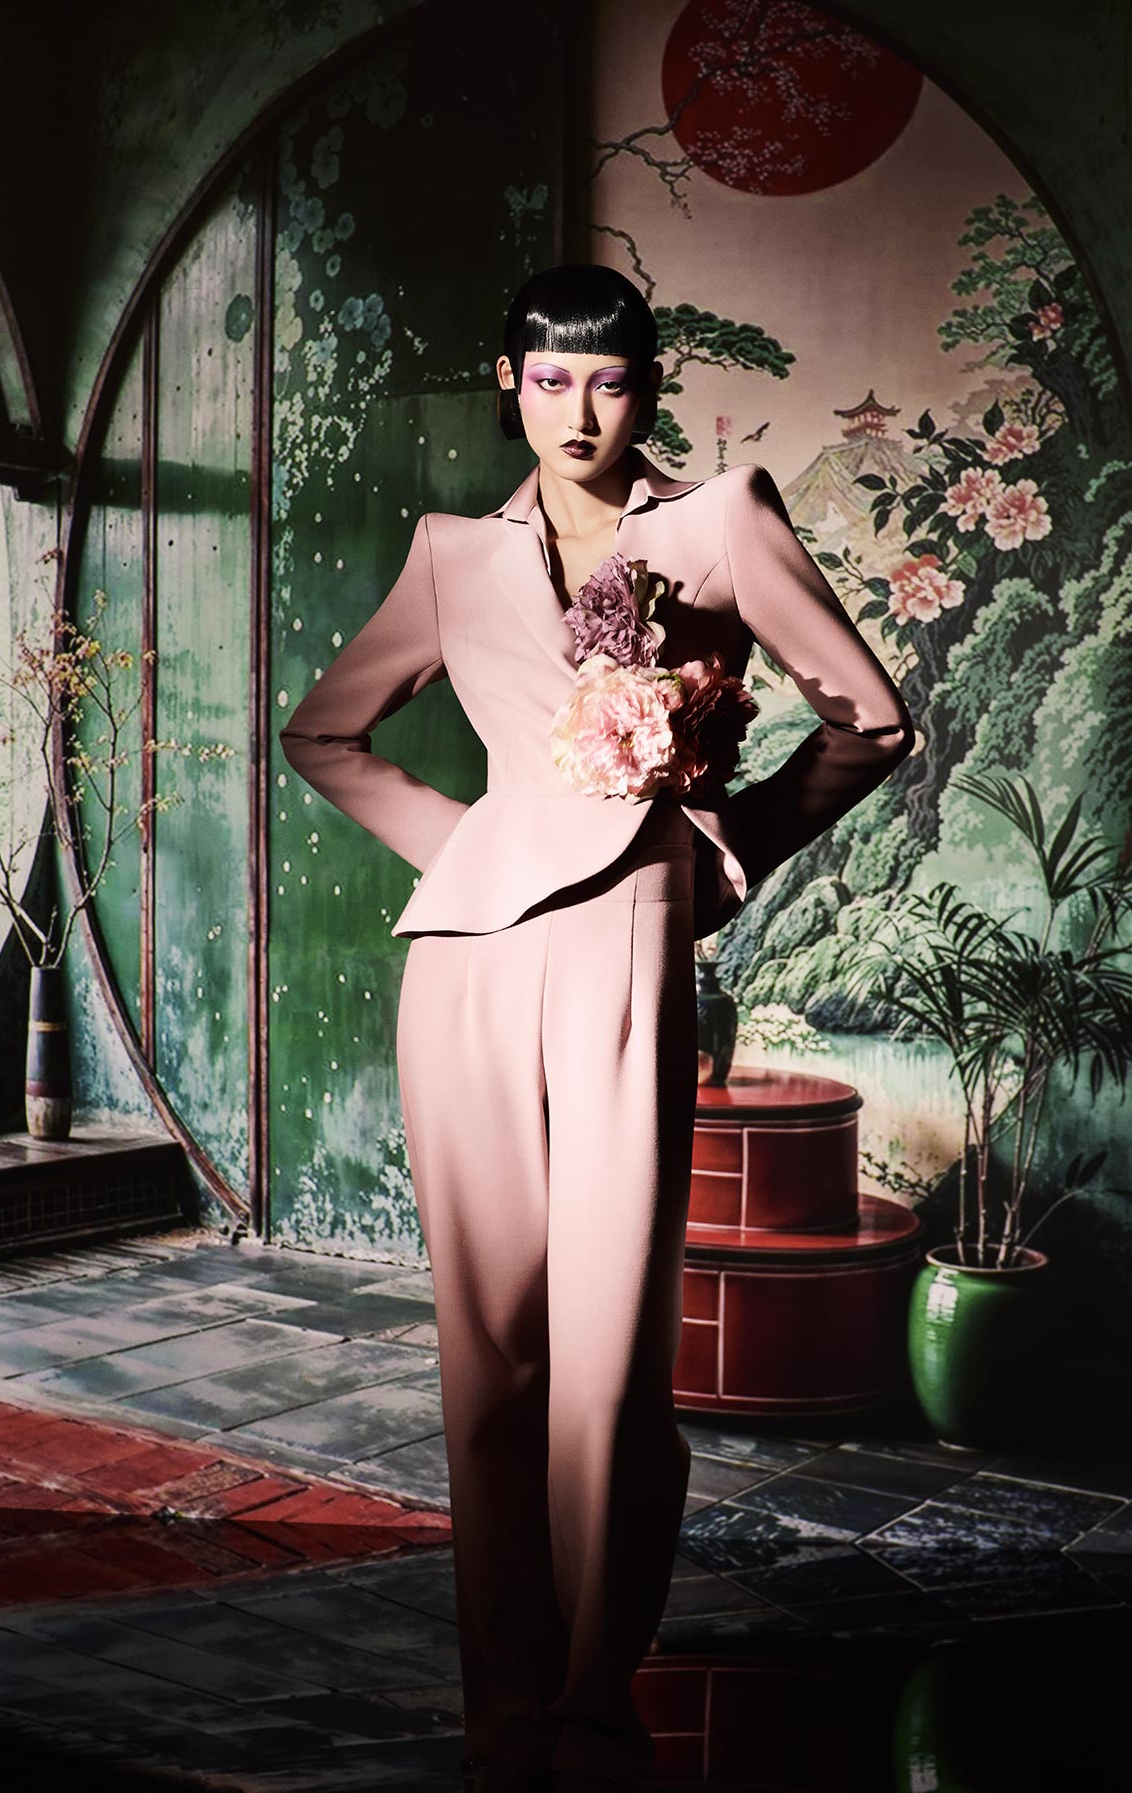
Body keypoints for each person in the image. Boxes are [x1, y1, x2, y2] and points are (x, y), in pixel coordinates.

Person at [278, 264, 916, 1793]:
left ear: (650, 386)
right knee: (490, 1364)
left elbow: (872, 719)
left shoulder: (721, 525)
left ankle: (592, 1701)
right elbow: (326, 734)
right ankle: (505, 1715)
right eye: (551, 381)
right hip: (469, 970)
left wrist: (715, 856)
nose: (580, 413)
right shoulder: (451, 555)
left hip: (630, 949)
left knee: (612, 1374)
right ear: (511, 382)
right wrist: (485, 852)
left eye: (611, 381)